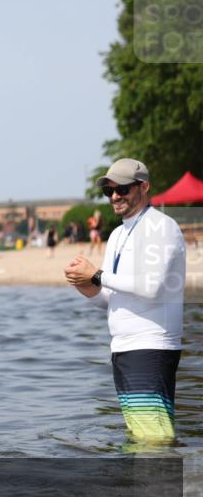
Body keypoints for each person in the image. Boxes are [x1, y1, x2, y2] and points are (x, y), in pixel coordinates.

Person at [64, 158, 186, 443]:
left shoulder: (161, 227)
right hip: (123, 347)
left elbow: (151, 287)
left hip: (151, 344)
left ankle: (156, 485)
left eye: (122, 189)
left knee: (153, 438)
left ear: (144, 187)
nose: (115, 196)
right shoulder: (118, 233)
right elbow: (110, 298)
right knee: (142, 435)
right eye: (109, 191)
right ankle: (142, 486)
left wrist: (96, 273)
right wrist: (87, 286)